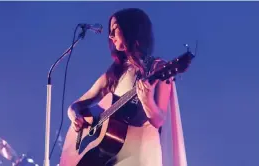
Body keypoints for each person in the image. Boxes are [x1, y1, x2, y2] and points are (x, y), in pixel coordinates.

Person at [61, 8, 185, 166]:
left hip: (140, 152)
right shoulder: (115, 71)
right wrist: (74, 115)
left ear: (131, 30)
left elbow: (159, 120)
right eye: (110, 31)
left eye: (115, 29)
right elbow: (77, 105)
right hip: (108, 152)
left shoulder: (158, 67)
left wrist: (147, 101)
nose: (110, 36)